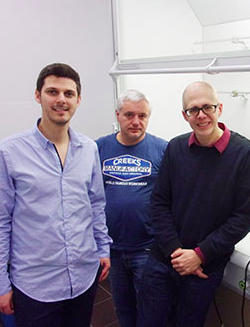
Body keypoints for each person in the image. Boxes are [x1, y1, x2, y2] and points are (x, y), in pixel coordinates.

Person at [0, 63, 112, 327]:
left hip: (83, 277)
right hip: (35, 286)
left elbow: (96, 205)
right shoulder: (8, 153)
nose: (60, 100)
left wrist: (103, 247)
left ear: (78, 100)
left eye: (68, 94)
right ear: (37, 95)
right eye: (52, 92)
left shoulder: (89, 149)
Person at [137, 81, 250, 327]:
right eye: (193, 110)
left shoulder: (242, 152)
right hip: (164, 259)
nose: (201, 115)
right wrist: (176, 252)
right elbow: (159, 203)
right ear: (185, 115)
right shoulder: (176, 148)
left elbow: (243, 218)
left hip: (204, 266)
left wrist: (199, 255)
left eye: (207, 107)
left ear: (219, 109)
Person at [96, 90, 167, 327]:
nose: (136, 122)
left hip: (147, 248)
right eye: (129, 115)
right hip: (112, 248)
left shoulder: (162, 150)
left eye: (142, 116)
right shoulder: (98, 148)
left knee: (150, 312)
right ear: (118, 115)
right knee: (123, 308)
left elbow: (173, 196)